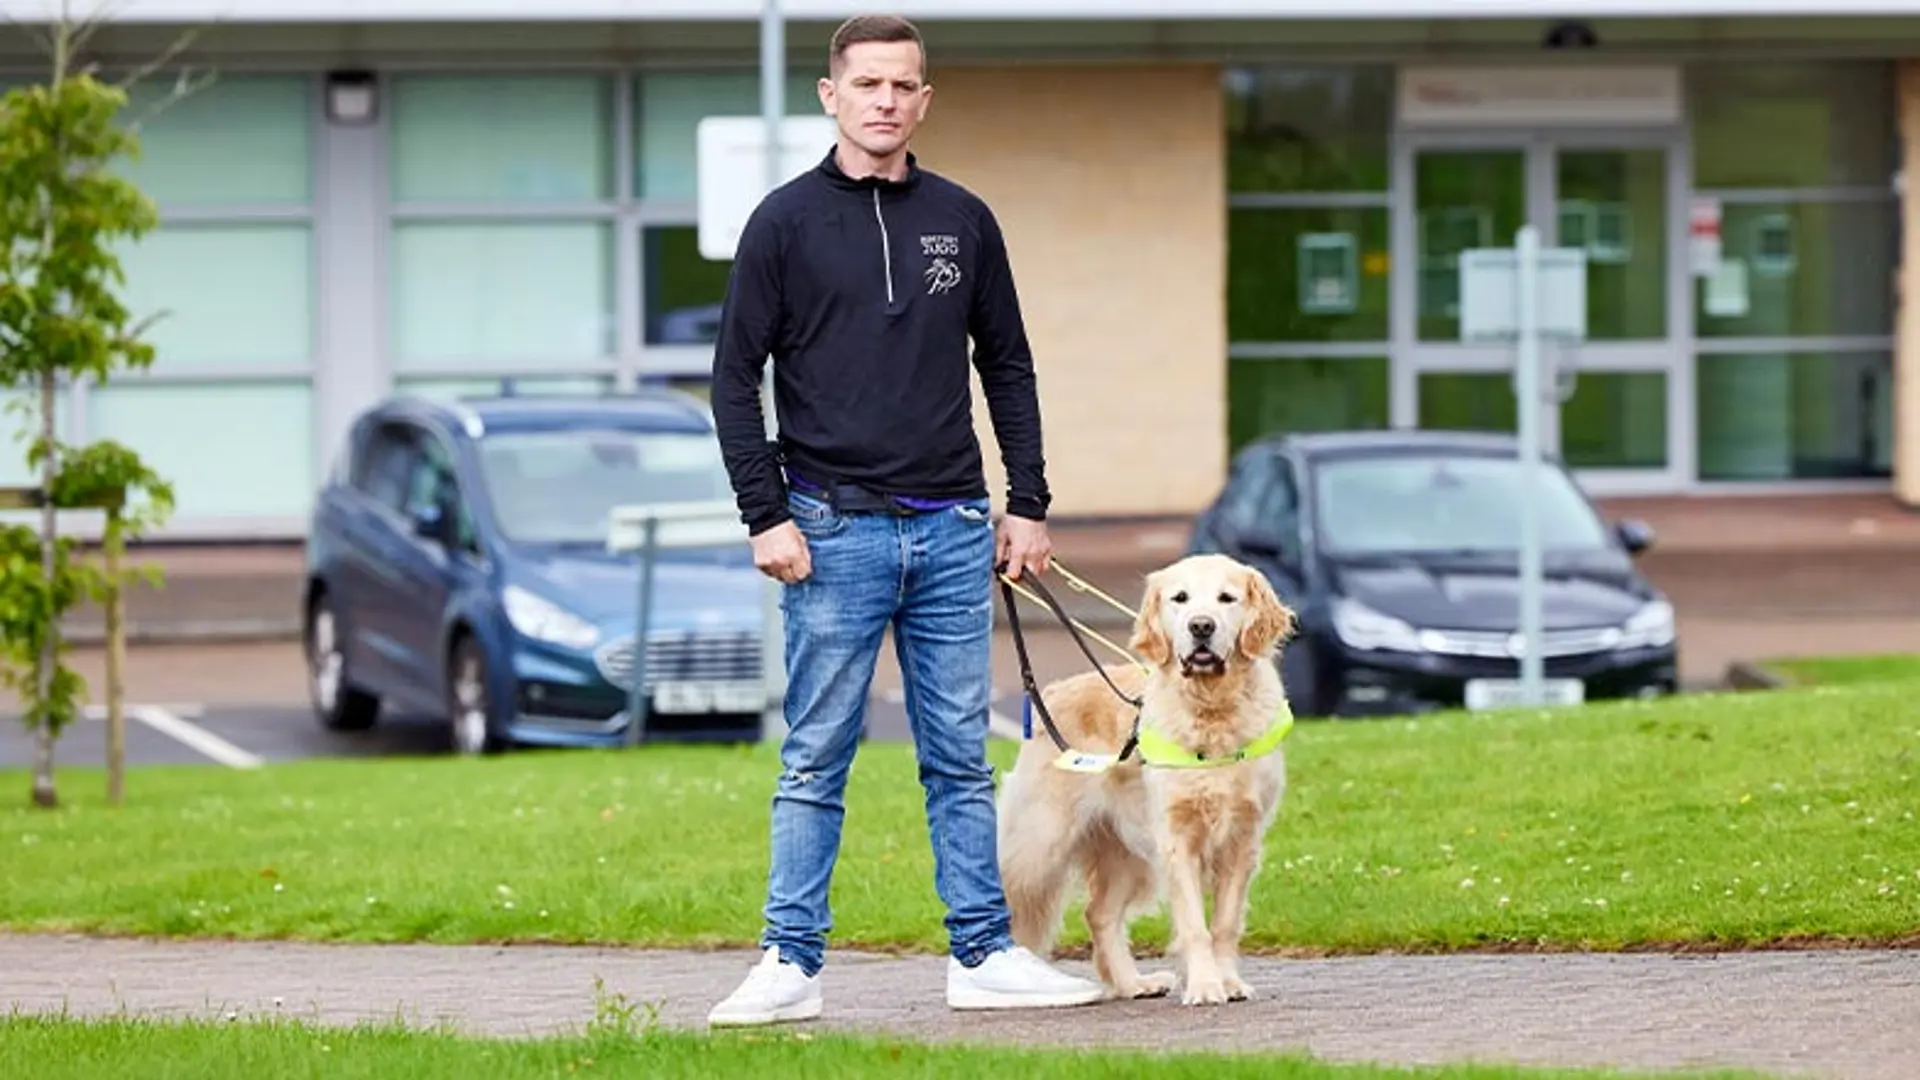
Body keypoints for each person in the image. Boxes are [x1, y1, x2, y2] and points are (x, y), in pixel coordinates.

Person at [704, 12, 1106, 1027]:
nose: (886, 100)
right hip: (829, 533)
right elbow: (731, 378)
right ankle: (789, 964)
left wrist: (1030, 505)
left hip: (954, 527)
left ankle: (983, 955)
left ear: (924, 99)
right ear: (830, 96)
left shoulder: (962, 219)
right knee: (814, 758)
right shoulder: (784, 224)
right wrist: (766, 513)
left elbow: (1006, 364)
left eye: (903, 85)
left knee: (959, 758)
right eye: (867, 84)